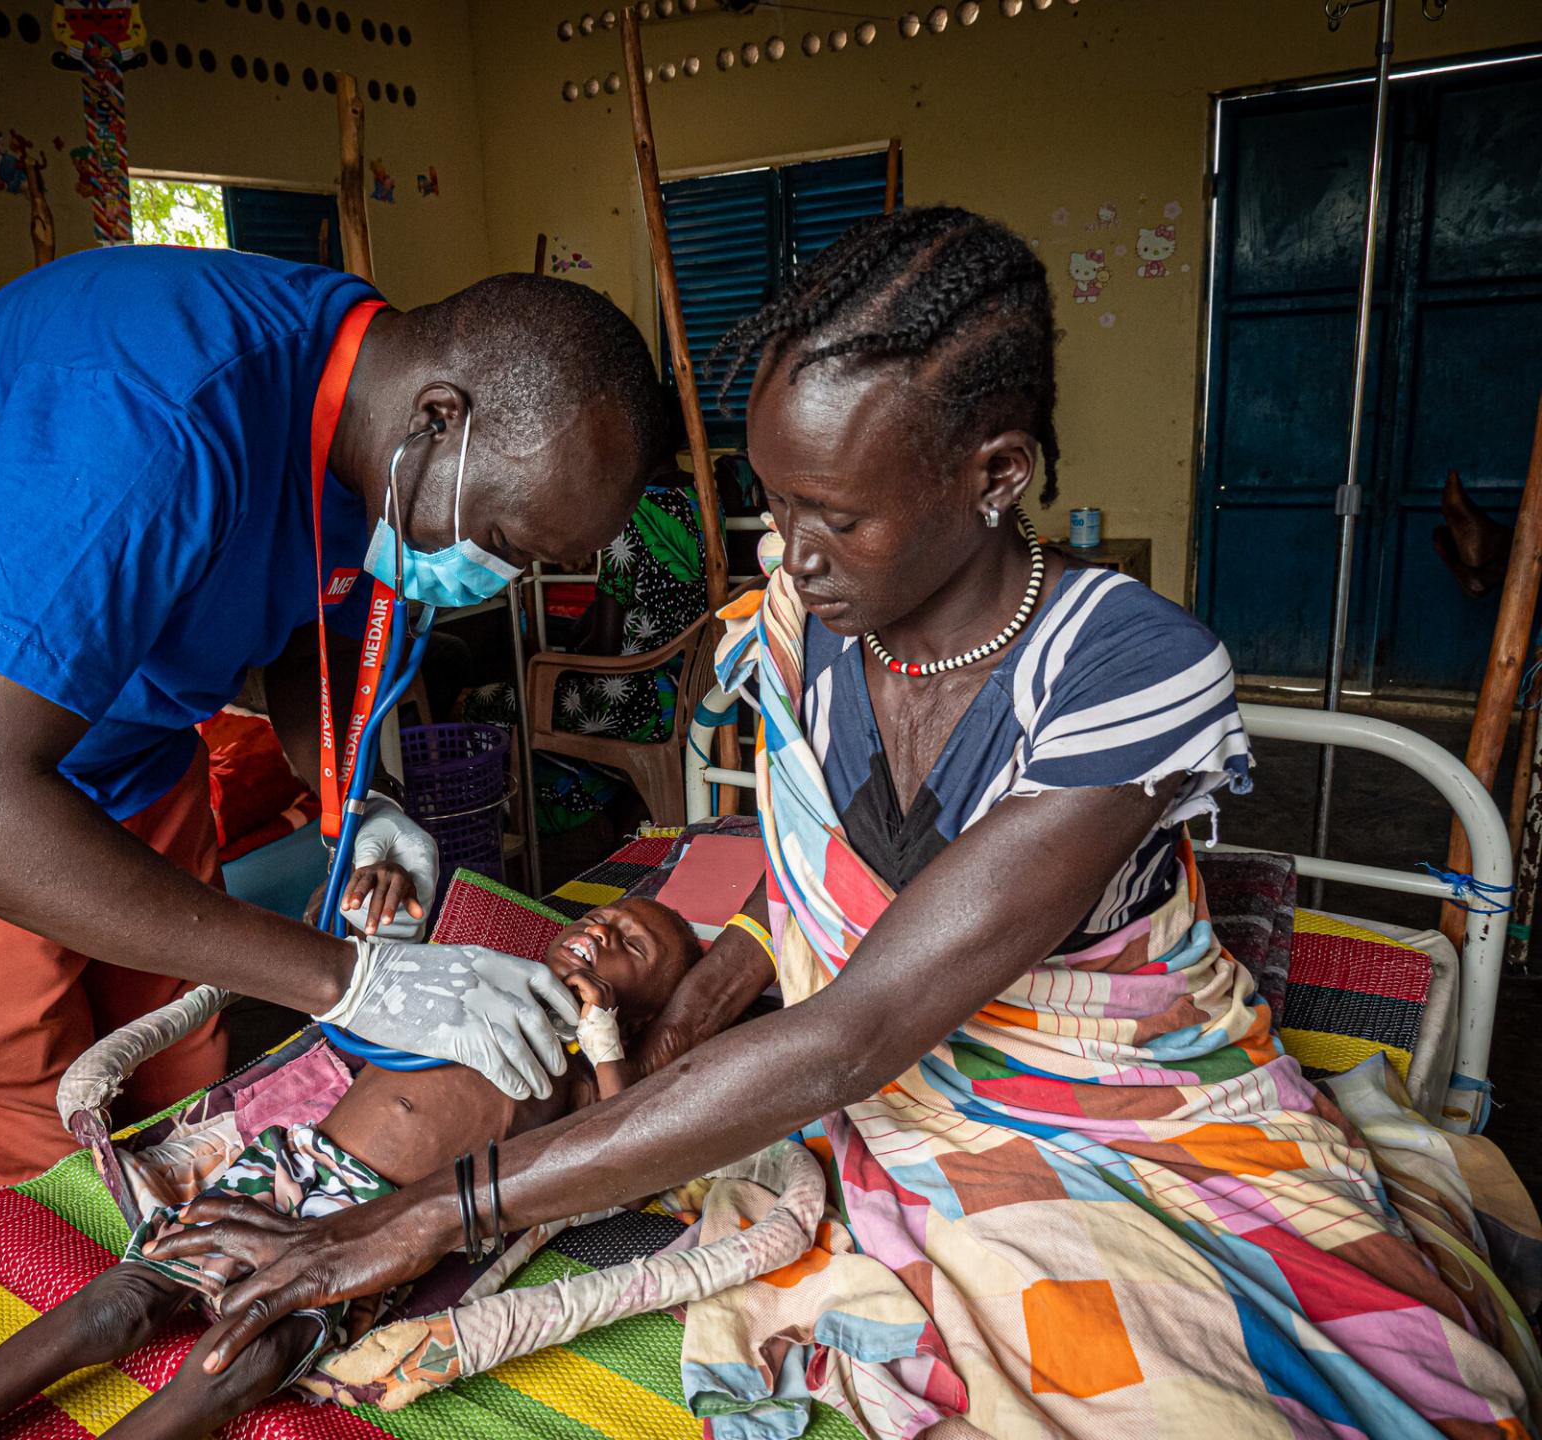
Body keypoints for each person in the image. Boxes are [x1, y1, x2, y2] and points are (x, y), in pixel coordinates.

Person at [162, 208, 1531, 1437]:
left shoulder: (1128, 671)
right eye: (774, 500)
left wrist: (429, 1216)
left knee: (1188, 1392)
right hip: (868, 1088)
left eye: (836, 516)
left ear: (996, 474)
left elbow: (854, 1031)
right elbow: (821, 885)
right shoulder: (801, 622)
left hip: (1129, 1123)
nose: (792, 552)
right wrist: (688, 1018)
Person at [0, 250, 676, 1212]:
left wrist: (358, 800)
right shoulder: (151, 415)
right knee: (38, 1159)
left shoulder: (366, 421)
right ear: (439, 417)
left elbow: (311, 617)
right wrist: (350, 978)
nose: (495, 575)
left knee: (188, 1085)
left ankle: (190, 1253)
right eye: (506, 541)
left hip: (128, 732)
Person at [0, 897, 700, 1439]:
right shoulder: (470, 979)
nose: (603, 931)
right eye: (602, 917)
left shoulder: (583, 1071)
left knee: (250, 1356)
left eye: (631, 945)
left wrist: (601, 1039)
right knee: (121, 1302)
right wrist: (381, 920)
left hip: (386, 1226)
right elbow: (367, 995)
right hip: (294, 1166)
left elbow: (614, 1149)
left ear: (641, 1009)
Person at [462, 467, 711, 833]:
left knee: (482, 702)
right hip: (687, 691)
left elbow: (604, 647)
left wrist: (563, 658)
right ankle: (612, 812)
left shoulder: (625, 514)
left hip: (635, 704)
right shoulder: (700, 497)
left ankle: (508, 829)